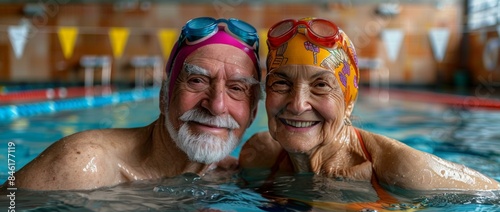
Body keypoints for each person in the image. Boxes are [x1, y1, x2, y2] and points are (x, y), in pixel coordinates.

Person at [239, 17, 500, 192]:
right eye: (281, 84)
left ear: (349, 102)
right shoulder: (258, 155)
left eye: (321, 86)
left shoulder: (399, 169)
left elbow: (492, 195)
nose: (297, 105)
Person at [6, 17, 262, 191]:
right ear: (164, 95)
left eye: (236, 88)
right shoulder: (83, 167)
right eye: (197, 81)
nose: (216, 105)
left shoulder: (232, 174)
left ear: (252, 114)